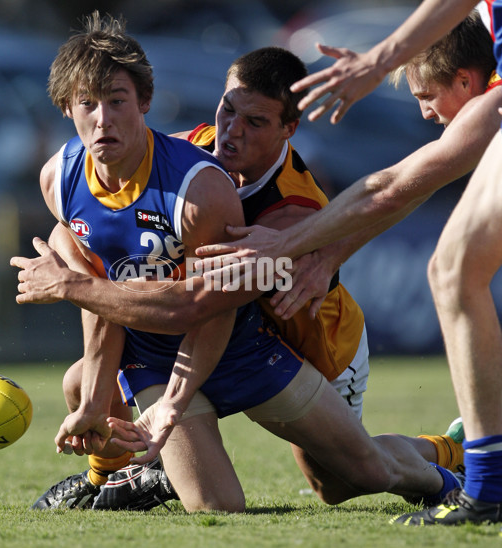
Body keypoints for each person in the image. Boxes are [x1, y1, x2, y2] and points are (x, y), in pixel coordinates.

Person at [12, 16, 462, 516]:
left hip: (306, 338)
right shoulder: (154, 155)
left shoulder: (287, 206)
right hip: (200, 333)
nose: (231, 131)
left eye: (255, 122)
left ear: (288, 128)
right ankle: (113, 480)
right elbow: (103, 270)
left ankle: (452, 454)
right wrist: (77, 274)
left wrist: (73, 284)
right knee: (83, 382)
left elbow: (200, 306)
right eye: (228, 110)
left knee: (341, 481)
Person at [195, 0, 502, 525]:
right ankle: (479, 477)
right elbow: (404, 191)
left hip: (323, 347)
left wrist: (378, 61)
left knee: (451, 272)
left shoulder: (295, 194)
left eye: (427, 96)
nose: (424, 112)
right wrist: (330, 252)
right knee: (330, 486)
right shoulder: (194, 153)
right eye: (228, 112)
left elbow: (387, 189)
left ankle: (484, 486)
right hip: (272, 349)